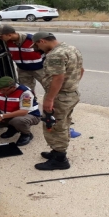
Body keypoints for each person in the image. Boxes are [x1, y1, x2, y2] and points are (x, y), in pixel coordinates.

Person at [30, 32, 84, 170]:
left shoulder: (55, 54)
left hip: (60, 97)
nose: (39, 50)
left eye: (37, 46)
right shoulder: (71, 48)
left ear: (41, 41)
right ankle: (56, 152)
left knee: (55, 126)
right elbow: (81, 70)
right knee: (63, 122)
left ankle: (60, 160)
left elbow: (58, 78)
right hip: (71, 94)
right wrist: (71, 85)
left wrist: (49, 99)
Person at [0, 76, 41, 146]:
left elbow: (24, 111)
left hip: (30, 115)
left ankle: (26, 134)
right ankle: (12, 128)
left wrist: (1, 116)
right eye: (0, 90)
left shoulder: (26, 93)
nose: (1, 92)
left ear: (13, 87)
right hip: (8, 114)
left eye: (4, 90)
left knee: (18, 121)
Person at [0, 25, 46, 92]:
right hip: (23, 70)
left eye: (1, 36)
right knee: (26, 92)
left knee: (50, 88)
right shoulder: (6, 43)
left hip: (40, 69)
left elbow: (47, 52)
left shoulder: (32, 40)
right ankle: (33, 102)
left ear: (9, 35)